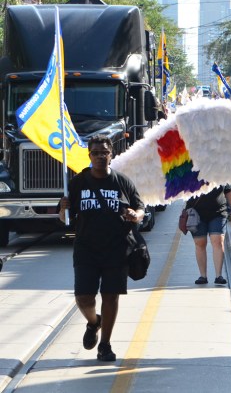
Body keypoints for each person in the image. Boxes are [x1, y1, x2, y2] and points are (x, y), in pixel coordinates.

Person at [59, 135, 145, 362]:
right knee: (83, 297)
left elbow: (140, 207)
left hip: (116, 248)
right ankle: (94, 322)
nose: (100, 157)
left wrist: (136, 216)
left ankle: (105, 344)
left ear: (111, 154)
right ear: (89, 156)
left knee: (111, 296)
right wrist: (63, 208)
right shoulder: (78, 182)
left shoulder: (122, 182)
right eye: (95, 153)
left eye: (104, 152)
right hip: (86, 249)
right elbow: (63, 218)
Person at [187, 184, 231, 286]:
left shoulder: (220, 169)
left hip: (218, 212)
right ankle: (203, 276)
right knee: (200, 243)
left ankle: (218, 275)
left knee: (218, 241)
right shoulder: (189, 169)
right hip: (196, 213)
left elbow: (228, 190)